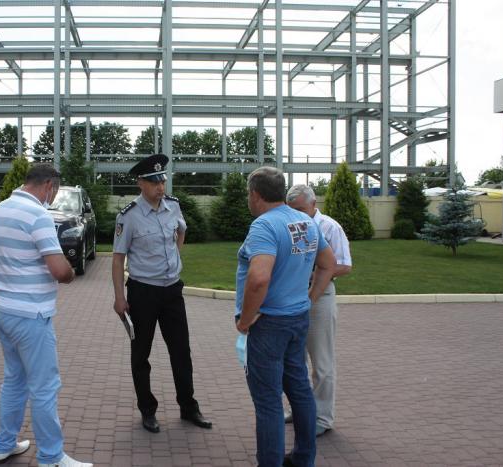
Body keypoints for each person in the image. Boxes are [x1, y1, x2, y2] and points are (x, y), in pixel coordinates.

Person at [0, 164, 92, 467]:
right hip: (30, 314)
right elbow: (60, 270)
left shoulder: (1, 209)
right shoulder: (38, 215)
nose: (53, 197)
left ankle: (4, 444)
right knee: (45, 387)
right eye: (54, 191)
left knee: (14, 380)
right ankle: (51, 457)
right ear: (48, 185)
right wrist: (71, 273)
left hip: (0, 308)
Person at [235, 167, 336, 467]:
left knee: (268, 401)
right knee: (300, 390)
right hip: (297, 319)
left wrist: (245, 321)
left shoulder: (264, 225)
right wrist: (309, 300)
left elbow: (258, 279)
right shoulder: (305, 221)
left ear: (255, 194)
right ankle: (304, 458)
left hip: (269, 324)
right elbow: (328, 264)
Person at [112, 153, 212, 434]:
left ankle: (188, 407)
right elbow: (118, 259)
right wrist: (119, 297)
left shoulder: (173, 206)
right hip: (143, 292)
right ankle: (147, 409)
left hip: (172, 291)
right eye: (154, 182)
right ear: (140, 183)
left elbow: (181, 231)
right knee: (141, 354)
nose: (160, 187)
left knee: (181, 351)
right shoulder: (129, 216)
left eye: (162, 181)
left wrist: (175, 257)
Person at [286, 184, 352, 437]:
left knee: (322, 363)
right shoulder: (289, 225)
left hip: (320, 297)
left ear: (314, 204)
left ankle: (322, 418)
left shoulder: (329, 227)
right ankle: (300, 410)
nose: (297, 215)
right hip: (292, 296)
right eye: (292, 209)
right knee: (295, 361)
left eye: (301, 209)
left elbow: (344, 265)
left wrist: (315, 272)